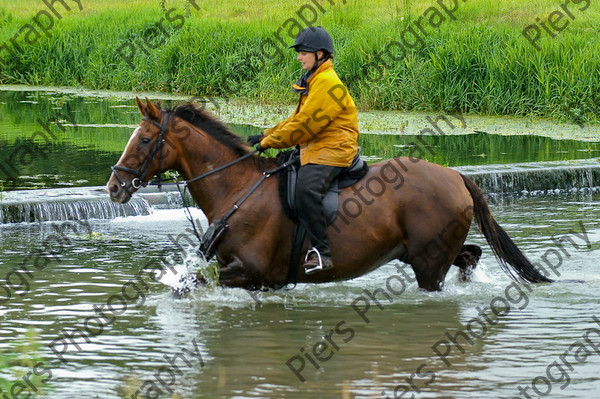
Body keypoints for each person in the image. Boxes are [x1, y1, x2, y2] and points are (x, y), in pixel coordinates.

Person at [247, 26, 359, 274]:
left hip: (333, 149)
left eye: (303, 52)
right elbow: (295, 119)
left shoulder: (328, 83)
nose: (299, 57)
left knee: (306, 190)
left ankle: (321, 252)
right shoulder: (316, 79)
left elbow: (305, 127)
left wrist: (269, 143)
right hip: (316, 146)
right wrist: (265, 134)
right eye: (298, 52)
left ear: (320, 54)